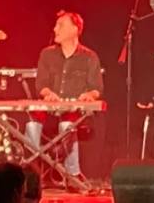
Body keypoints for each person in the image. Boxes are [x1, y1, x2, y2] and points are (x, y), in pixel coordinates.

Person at [28, 10, 103, 184]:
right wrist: (48, 93)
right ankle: (32, 174)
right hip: (49, 112)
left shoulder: (89, 57)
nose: (55, 29)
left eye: (60, 25)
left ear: (75, 29)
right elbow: (41, 85)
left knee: (68, 125)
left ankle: (72, 176)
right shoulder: (46, 54)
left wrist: (88, 95)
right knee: (31, 125)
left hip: (74, 113)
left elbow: (97, 89)